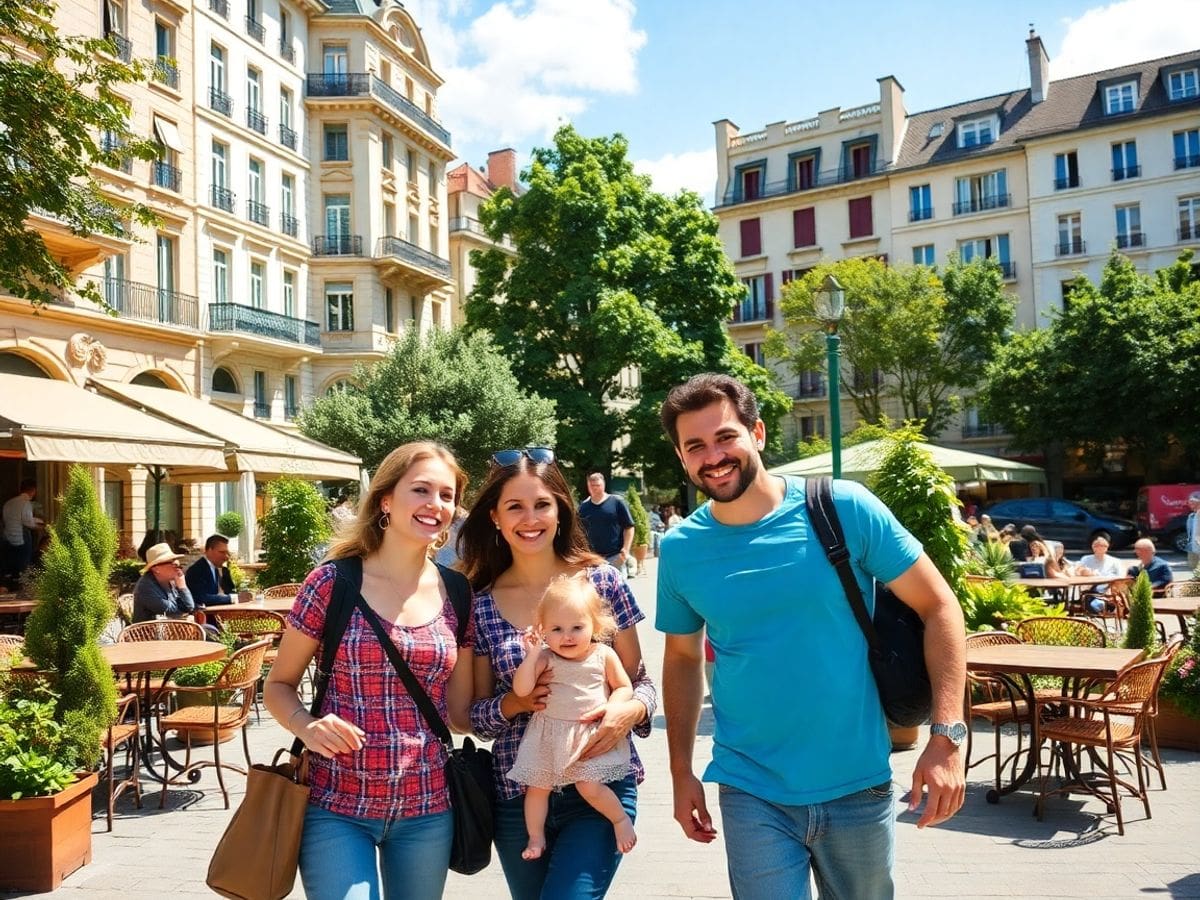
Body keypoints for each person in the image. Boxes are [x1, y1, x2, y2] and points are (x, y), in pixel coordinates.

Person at [655, 373, 966, 900]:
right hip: (749, 786)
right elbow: (683, 658)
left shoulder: (842, 507)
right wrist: (681, 772)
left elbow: (939, 605)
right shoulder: (683, 548)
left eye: (725, 436)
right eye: (696, 446)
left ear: (756, 433)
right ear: (683, 459)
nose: (713, 456)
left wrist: (947, 738)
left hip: (857, 781)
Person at [262, 442, 476, 900]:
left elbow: (459, 715)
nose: (434, 505)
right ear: (385, 499)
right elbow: (277, 686)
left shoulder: (458, 592)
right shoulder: (332, 582)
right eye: (420, 490)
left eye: (446, 495)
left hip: (427, 807)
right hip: (335, 804)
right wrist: (307, 724)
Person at [459, 447, 657, 899]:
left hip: (601, 778)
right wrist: (516, 703)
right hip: (519, 791)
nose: (531, 518)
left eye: (542, 504)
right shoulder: (479, 603)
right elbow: (472, 718)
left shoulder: (602, 581)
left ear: (561, 510)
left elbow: (642, 683)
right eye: (515, 506)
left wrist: (629, 710)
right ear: (495, 517)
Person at [507, 575, 637, 860]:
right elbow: (522, 689)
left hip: (587, 737)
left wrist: (613, 706)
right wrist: (530, 655)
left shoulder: (602, 654)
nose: (567, 636)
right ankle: (536, 837)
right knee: (537, 789)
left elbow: (624, 686)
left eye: (577, 627)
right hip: (549, 737)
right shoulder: (545, 657)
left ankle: (620, 819)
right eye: (556, 629)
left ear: (594, 625)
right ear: (543, 631)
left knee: (588, 785)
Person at [578, 472, 634, 573]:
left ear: (603, 484)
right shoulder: (583, 507)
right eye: (592, 486)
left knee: (618, 588)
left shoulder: (617, 502)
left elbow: (629, 527)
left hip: (615, 556)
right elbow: (580, 532)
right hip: (593, 559)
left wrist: (625, 550)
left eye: (597, 485)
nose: (594, 488)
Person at [132, 542, 196, 623]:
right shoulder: (145, 587)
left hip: (170, 629)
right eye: (171, 562)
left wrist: (182, 587)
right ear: (156, 569)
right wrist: (182, 587)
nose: (177, 565)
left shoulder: (169, 581)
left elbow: (187, 607)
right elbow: (176, 611)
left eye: (175, 560)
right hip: (149, 633)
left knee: (210, 629)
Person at [184, 535, 247, 609]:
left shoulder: (222, 570)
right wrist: (232, 598)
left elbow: (231, 591)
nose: (226, 557)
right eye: (222, 552)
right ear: (209, 550)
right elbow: (201, 597)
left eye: (227, 553)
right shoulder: (196, 570)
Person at [2, 478, 43, 586]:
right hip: (21, 540)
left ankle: (9, 584)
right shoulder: (26, 503)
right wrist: (40, 527)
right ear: (33, 491)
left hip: (7, 539)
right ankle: (23, 585)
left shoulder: (8, 503)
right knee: (23, 566)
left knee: (10, 567)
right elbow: (27, 522)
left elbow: (9, 520)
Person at [1076, 535, 1126, 613]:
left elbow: (1121, 577)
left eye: (1102, 546)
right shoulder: (1086, 559)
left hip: (1108, 590)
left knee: (1095, 605)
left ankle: (1107, 606)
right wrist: (1085, 572)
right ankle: (1103, 607)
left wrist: (1113, 588)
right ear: (1093, 547)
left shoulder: (1115, 561)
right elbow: (1077, 571)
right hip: (1090, 590)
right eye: (1096, 546)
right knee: (1092, 604)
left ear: (1107, 547)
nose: (1099, 548)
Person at [1186, 492, 1200, 572]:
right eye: (1190, 503)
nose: (1190, 505)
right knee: (1194, 569)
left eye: (1192, 503)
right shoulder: (1191, 516)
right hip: (1192, 547)